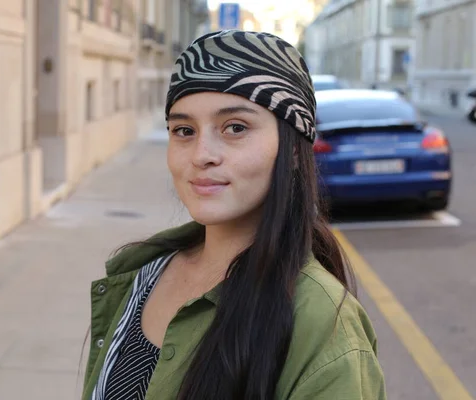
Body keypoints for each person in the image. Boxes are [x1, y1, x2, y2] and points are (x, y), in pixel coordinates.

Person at [82, 30, 386, 400]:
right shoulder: (143, 274)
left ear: (292, 149)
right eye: (183, 130)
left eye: (235, 128)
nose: (201, 154)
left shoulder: (325, 330)